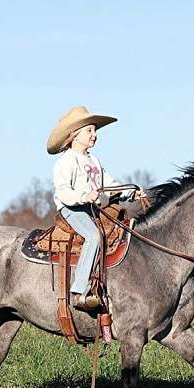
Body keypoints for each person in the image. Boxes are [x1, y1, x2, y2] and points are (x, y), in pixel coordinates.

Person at [47, 105, 134, 311]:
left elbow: (111, 185)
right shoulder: (66, 161)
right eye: (89, 131)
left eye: (95, 131)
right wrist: (84, 196)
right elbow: (62, 192)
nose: (94, 135)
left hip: (92, 210)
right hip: (72, 210)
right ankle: (79, 291)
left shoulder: (94, 161)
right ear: (74, 135)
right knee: (94, 237)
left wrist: (131, 192)